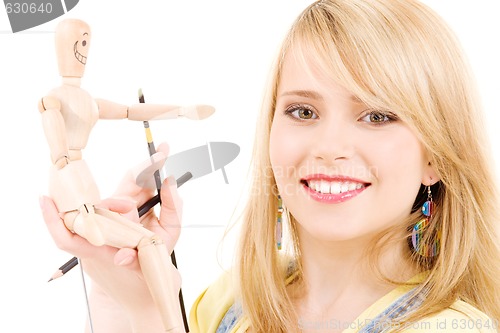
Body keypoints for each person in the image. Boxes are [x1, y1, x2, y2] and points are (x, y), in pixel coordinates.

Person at [40, 0, 500, 332]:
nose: (329, 146)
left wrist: (148, 316)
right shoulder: (229, 303)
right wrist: (123, 295)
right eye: (303, 111)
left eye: (377, 116)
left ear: (436, 155)